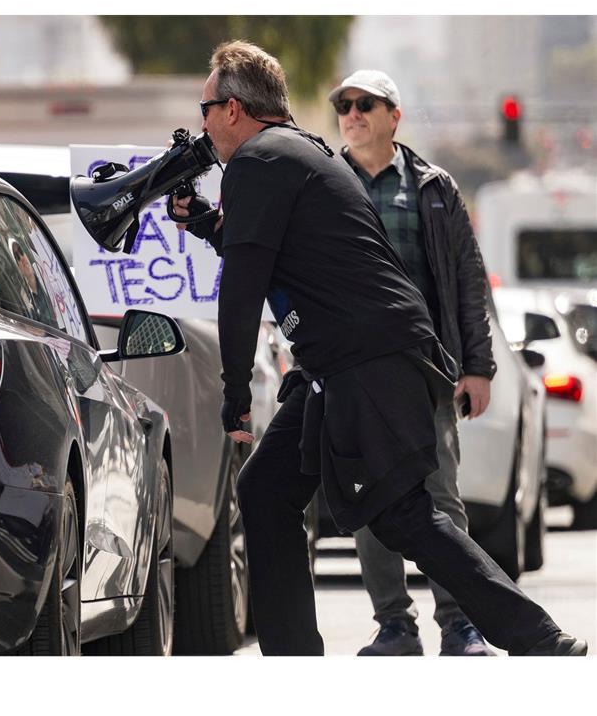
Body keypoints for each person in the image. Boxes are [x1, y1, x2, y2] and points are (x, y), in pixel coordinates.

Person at [170, 40, 586, 656]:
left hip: (369, 365)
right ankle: (294, 658)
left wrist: (234, 397)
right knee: (266, 489)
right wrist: (206, 223)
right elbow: (277, 249)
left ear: (233, 110)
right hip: (343, 366)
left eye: (204, 108)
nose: (201, 124)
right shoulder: (299, 153)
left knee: (404, 514)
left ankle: (541, 640)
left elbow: (243, 285)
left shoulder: (260, 161)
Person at [329, 69, 495, 656]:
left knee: (441, 500)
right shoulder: (327, 183)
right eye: (343, 105)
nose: (352, 113)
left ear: (393, 115)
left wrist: (478, 366)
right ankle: (394, 626)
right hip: (355, 376)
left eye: (365, 104)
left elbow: (468, 282)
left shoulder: (434, 187)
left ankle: (460, 623)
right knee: (370, 501)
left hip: (429, 372)